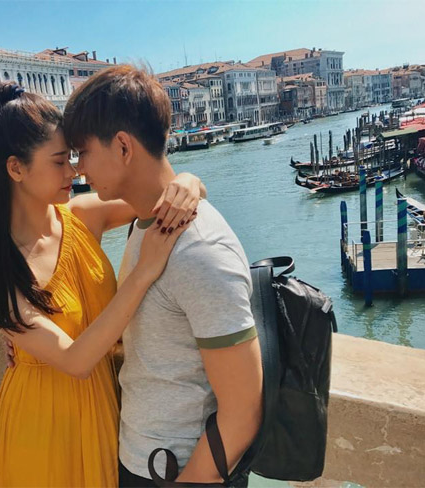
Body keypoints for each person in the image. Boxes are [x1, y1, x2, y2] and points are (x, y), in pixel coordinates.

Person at [0, 82, 205, 487]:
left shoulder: (81, 216)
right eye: (59, 161)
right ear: (16, 169)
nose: (73, 171)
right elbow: (76, 361)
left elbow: (160, 193)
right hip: (39, 428)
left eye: (73, 158)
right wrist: (144, 271)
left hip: (106, 409)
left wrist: (189, 180)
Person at [63, 65, 264, 486]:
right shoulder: (146, 223)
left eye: (83, 151)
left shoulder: (200, 251)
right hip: (142, 460)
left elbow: (243, 410)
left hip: (179, 472)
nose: (79, 168)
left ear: (123, 146)